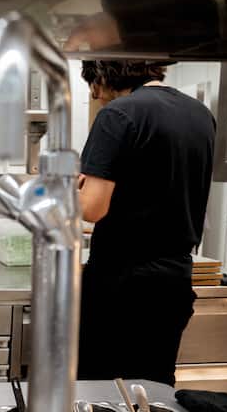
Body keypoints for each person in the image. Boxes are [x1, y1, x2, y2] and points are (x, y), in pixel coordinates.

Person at [76, 60, 215, 385]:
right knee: (153, 394)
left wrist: (61, 189)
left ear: (101, 74)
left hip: (122, 285)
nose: (97, 96)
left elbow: (92, 208)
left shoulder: (117, 114)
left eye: (93, 85)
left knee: (100, 398)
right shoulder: (200, 113)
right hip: (174, 281)